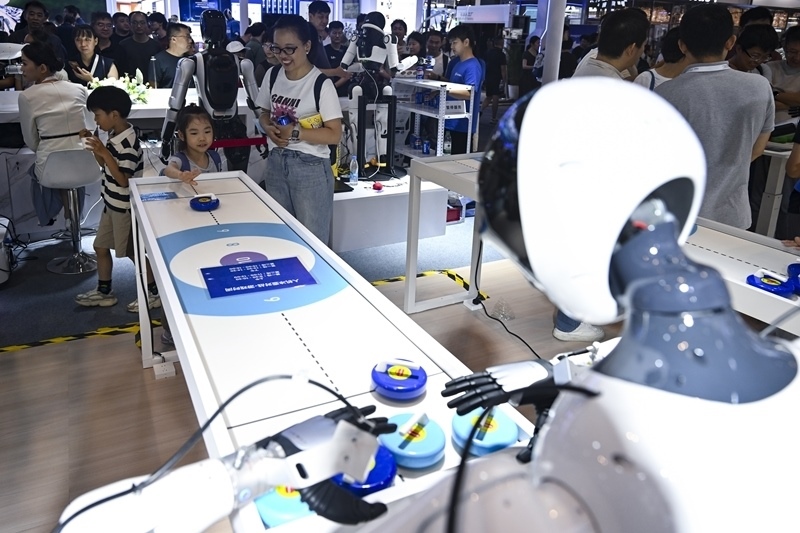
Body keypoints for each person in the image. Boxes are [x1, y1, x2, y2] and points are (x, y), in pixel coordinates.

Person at [655, 4, 774, 230]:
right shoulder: (759, 86)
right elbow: (758, 148)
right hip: (733, 214)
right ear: (730, 42)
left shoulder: (665, 94)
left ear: (682, 45)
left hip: (680, 214)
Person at [255, 15, 342, 244]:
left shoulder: (320, 84)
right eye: (277, 48)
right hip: (275, 162)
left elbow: (334, 134)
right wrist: (267, 126)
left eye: (290, 49)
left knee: (312, 241)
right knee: (281, 237)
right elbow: (263, 111)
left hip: (310, 167)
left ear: (307, 46)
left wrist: (295, 132)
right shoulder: (272, 75)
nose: (282, 55)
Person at [74, 86, 158, 312]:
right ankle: (104, 292)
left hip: (124, 208)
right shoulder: (114, 136)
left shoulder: (128, 144)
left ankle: (154, 293)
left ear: (114, 114)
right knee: (100, 246)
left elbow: (123, 180)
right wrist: (95, 147)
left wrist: (103, 151)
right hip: (111, 204)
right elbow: (105, 166)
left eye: (97, 115)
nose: (95, 120)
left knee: (134, 252)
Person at [18, 41, 91, 227]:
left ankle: (50, 216)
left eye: (24, 63)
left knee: (38, 171)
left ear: (42, 68)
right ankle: (73, 219)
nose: (21, 68)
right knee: (68, 172)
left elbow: (31, 140)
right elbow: (91, 127)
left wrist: (50, 148)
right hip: (87, 164)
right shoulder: (79, 89)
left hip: (52, 168)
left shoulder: (27, 96)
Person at [573, 8, 648, 80]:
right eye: (643, 45)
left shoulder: (588, 65)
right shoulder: (616, 85)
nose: (642, 50)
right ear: (631, 49)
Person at [162, 104, 227, 184]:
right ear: (182, 135)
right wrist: (180, 175)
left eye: (207, 132)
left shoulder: (215, 157)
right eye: (194, 133)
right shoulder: (180, 160)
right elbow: (168, 170)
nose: (202, 138)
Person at [443, 25, 482, 155]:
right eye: (451, 43)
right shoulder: (458, 63)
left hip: (463, 125)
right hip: (451, 120)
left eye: (455, 43)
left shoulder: (473, 66)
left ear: (466, 42)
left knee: (458, 160)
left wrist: (444, 91)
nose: (452, 47)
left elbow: (469, 93)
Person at [762, 26, 800, 124]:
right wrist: (793, 103)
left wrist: (774, 94)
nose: (797, 57)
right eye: (793, 52)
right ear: (784, 47)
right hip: (767, 125)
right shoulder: (770, 68)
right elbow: (762, 101)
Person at [118, 11, 161, 84]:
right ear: (130, 24)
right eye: (135, 23)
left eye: (142, 23)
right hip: (130, 84)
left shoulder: (156, 45)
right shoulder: (123, 45)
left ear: (147, 24)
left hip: (152, 84)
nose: (138, 26)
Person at [152, 23, 194, 88]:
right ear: (174, 39)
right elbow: (153, 87)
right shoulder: (158, 60)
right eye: (187, 37)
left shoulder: (191, 60)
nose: (190, 40)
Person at [481, 37, 507, 124]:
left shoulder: (488, 52)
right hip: (497, 78)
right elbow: (503, 69)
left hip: (488, 76)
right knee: (495, 97)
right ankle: (493, 117)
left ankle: (480, 110)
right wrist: (504, 80)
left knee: (488, 96)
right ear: (501, 43)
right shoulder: (501, 55)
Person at [324, 21, 350, 97]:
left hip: (344, 91)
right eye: (334, 33)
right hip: (327, 89)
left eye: (340, 33)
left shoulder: (348, 51)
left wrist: (334, 86)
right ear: (329, 33)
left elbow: (348, 73)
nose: (337, 36)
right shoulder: (324, 51)